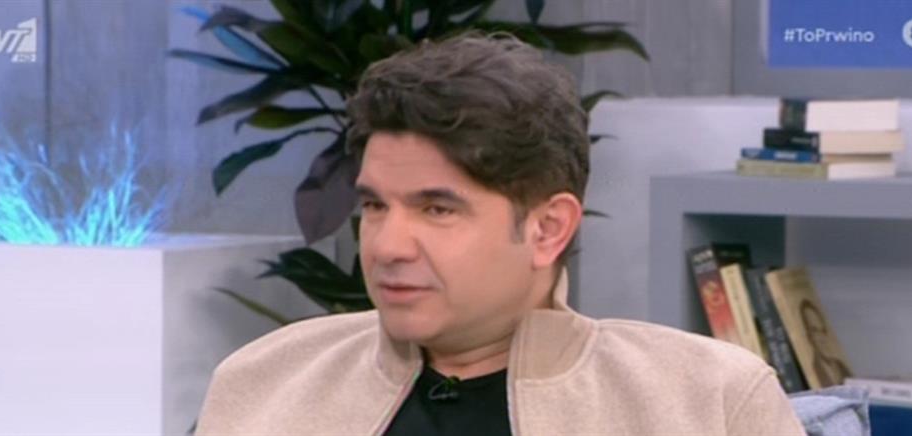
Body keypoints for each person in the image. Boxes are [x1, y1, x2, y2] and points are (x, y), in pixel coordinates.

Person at [195, 32, 805, 435]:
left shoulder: (707, 401)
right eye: (375, 205)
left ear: (547, 228)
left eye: (437, 209)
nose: (386, 246)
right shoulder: (266, 382)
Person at [800, 299, 853, 387]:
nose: (822, 339)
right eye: (815, 331)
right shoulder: (812, 372)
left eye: (823, 330)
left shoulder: (841, 367)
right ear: (809, 337)